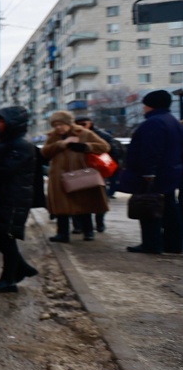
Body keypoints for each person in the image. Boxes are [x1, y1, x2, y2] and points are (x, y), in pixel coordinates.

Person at [117, 90, 183, 254]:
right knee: (169, 209)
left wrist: (148, 173)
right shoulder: (172, 121)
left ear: (150, 105)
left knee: (149, 208)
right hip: (169, 172)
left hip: (153, 176)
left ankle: (151, 243)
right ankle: (173, 244)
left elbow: (150, 150)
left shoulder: (154, 123)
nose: (143, 108)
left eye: (144, 104)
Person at [0, 106, 39, 293]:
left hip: (12, 198)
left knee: (3, 236)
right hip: (5, 196)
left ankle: (9, 278)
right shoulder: (7, 143)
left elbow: (5, 171)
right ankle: (20, 269)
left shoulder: (20, 145)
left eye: (2, 121)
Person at [42, 110, 109, 243]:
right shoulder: (53, 136)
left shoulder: (83, 133)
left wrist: (85, 146)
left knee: (83, 203)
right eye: (55, 125)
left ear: (68, 123)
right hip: (59, 176)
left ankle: (88, 232)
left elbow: (104, 147)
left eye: (61, 124)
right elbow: (44, 152)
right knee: (61, 206)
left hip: (80, 174)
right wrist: (61, 144)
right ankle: (62, 234)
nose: (58, 128)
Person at [75, 115, 122, 214]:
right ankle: (80, 225)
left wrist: (106, 164)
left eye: (84, 124)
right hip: (79, 168)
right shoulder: (74, 135)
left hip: (97, 168)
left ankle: (100, 219)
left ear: (90, 124)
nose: (81, 127)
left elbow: (112, 150)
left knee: (100, 196)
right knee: (79, 196)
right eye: (77, 124)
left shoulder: (101, 135)